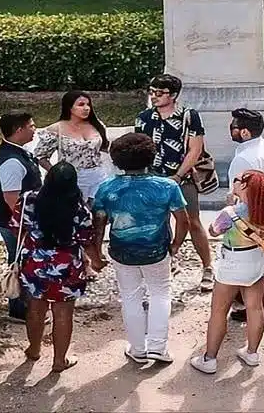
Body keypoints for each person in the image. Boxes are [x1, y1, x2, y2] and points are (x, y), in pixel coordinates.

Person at [93, 132, 189, 365]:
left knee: (130, 297)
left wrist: (96, 253)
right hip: (157, 251)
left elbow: (98, 225)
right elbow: (183, 219)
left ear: (116, 160)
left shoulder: (106, 188)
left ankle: (137, 348)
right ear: (151, 157)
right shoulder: (167, 186)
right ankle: (157, 346)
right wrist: (176, 243)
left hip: (122, 251)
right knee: (160, 293)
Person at [189, 170, 264, 375]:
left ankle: (210, 359)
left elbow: (214, 231)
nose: (233, 181)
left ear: (244, 187)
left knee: (218, 311)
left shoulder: (231, 213)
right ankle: (252, 353)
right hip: (258, 261)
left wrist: (230, 205)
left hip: (233, 263)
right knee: (255, 308)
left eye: (237, 180)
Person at [12, 162, 106, 373]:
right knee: (63, 314)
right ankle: (59, 360)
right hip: (68, 267)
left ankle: (34, 349)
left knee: (36, 309)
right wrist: (97, 260)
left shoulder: (29, 199)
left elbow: (16, 227)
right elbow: (85, 239)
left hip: (35, 265)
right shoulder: (79, 208)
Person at [134, 73, 215, 291]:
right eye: (152, 92)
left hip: (182, 176)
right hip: (152, 177)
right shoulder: (144, 117)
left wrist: (178, 175)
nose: (154, 97)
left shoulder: (189, 116)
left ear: (174, 95)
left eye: (160, 93)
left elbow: (195, 149)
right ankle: (168, 259)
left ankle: (207, 266)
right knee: (158, 221)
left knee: (192, 221)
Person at [226, 108, 264, 323]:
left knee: (245, 264)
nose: (230, 130)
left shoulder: (243, 159)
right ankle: (262, 306)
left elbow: (237, 193)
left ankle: (250, 308)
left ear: (245, 133)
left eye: (233, 127)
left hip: (250, 216)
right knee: (262, 263)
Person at [0, 110, 43, 323]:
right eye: (31, 126)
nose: (34, 129)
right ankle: (19, 308)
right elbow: (12, 199)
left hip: (20, 222)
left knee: (21, 259)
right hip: (15, 223)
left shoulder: (18, 152)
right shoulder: (11, 161)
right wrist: (25, 226)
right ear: (18, 130)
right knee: (19, 261)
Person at [31, 91, 110, 203]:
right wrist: (57, 173)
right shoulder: (56, 129)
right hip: (72, 178)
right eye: (81, 105)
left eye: (88, 105)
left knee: (100, 212)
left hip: (99, 177)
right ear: (69, 107)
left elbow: (104, 149)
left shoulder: (97, 125)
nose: (86, 108)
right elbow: (40, 156)